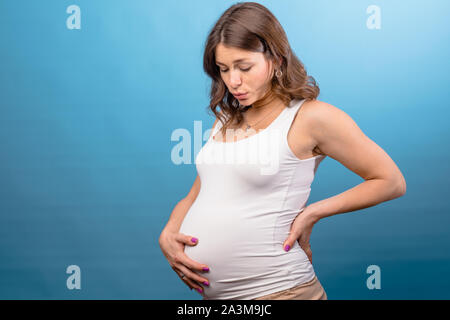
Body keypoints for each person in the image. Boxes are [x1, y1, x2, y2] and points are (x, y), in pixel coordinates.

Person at [159, 2, 406, 300]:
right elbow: (198, 192)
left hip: (282, 291)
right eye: (223, 69)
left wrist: (313, 212)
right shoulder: (227, 117)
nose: (233, 81)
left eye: (244, 67)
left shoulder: (311, 117)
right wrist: (170, 231)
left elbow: (390, 181)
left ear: (275, 58)